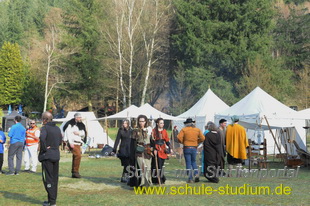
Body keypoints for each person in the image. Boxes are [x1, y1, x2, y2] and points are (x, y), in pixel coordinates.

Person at [39, 112, 62, 206]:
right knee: (54, 179)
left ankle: (52, 202)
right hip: (56, 154)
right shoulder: (57, 128)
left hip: (47, 156)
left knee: (48, 179)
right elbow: (60, 141)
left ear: (45, 119)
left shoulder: (44, 128)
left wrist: (45, 148)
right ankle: (51, 200)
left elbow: (42, 139)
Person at [128, 115, 153, 187]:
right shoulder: (135, 131)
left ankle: (149, 183)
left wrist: (154, 149)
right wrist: (132, 154)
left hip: (148, 151)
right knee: (142, 168)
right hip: (139, 151)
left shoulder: (149, 130)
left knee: (148, 168)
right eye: (140, 121)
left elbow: (152, 141)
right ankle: (143, 184)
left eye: (143, 121)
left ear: (145, 122)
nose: (141, 123)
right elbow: (132, 144)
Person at [177, 118, 205, 183]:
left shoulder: (184, 129)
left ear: (186, 124)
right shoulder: (197, 130)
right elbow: (203, 138)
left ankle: (190, 178)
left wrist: (183, 142)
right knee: (193, 162)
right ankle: (196, 173)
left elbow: (179, 137)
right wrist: (197, 141)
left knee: (188, 162)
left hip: (187, 147)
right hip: (194, 147)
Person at [64, 113, 87, 178]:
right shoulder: (70, 125)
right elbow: (68, 134)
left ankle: (74, 172)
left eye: (80, 117)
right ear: (76, 118)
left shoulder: (81, 125)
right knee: (78, 155)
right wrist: (70, 143)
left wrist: (78, 133)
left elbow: (83, 133)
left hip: (78, 143)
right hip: (73, 143)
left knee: (76, 156)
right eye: (79, 117)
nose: (80, 118)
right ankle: (75, 172)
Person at [151, 118, 170, 184]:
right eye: (161, 123)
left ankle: (161, 177)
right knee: (156, 165)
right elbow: (152, 141)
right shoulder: (154, 131)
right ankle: (156, 179)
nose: (162, 124)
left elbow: (167, 140)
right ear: (157, 124)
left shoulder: (164, 131)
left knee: (161, 165)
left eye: (163, 123)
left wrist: (169, 147)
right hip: (156, 149)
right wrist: (154, 149)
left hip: (163, 149)